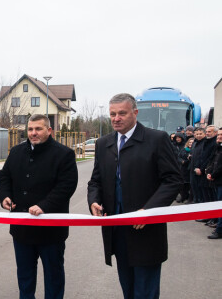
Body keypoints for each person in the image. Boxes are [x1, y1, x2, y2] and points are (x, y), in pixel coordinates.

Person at [87, 93, 182, 299]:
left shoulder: (156, 140)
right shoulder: (104, 144)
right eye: (112, 114)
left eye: (122, 113)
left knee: (145, 290)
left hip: (146, 230)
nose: (116, 118)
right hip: (117, 229)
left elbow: (173, 180)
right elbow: (96, 180)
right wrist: (94, 200)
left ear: (135, 113)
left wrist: (148, 210)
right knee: (127, 287)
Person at [0, 114, 78, 299]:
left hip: (50, 231)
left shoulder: (64, 154)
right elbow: (4, 177)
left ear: (49, 130)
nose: (33, 133)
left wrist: (44, 206)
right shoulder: (16, 152)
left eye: (38, 129)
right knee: (25, 279)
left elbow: (66, 186)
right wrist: (5, 196)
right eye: (30, 129)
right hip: (22, 230)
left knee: (53, 278)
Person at [206, 128, 222, 239]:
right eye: (219, 135)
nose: (219, 136)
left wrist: (213, 174)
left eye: (221, 135)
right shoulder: (218, 147)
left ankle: (219, 230)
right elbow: (212, 161)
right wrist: (209, 172)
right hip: (216, 180)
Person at [190, 127, 206, 204]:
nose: (198, 135)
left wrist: (200, 168)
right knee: (194, 188)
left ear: (204, 134)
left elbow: (204, 157)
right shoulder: (194, 143)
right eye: (197, 134)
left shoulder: (205, 143)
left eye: (200, 134)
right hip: (192, 169)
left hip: (200, 170)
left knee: (201, 190)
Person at [176, 138, 194, 203]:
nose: (190, 144)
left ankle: (189, 198)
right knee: (183, 184)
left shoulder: (193, 150)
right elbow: (178, 157)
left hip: (190, 169)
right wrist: (181, 161)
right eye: (189, 142)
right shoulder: (183, 150)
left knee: (189, 185)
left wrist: (186, 161)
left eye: (192, 142)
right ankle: (182, 196)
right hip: (183, 169)